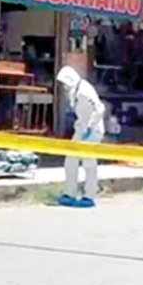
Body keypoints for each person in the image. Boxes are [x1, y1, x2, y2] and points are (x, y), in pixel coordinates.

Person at [56, 66, 106, 208]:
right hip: (81, 130)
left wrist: (90, 127)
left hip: (93, 130)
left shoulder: (84, 91)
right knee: (70, 161)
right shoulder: (76, 91)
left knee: (89, 163)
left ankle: (89, 196)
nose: (64, 86)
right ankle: (69, 193)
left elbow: (100, 109)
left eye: (64, 83)